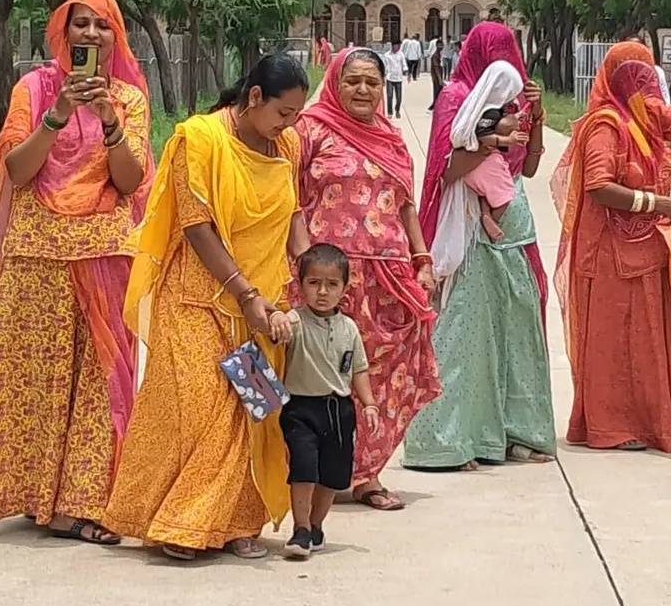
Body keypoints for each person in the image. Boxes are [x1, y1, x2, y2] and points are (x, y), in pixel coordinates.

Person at [102, 54, 311, 561]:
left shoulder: (286, 144)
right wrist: (245, 293)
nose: (290, 124)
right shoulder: (198, 139)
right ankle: (181, 522)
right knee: (201, 406)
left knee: (253, 409)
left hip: (266, 302)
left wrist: (308, 281)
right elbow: (198, 227)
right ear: (254, 98)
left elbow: (292, 214)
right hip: (198, 295)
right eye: (284, 112)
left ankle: (239, 522)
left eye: (297, 115)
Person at [0, 0, 153, 543]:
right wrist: (57, 116)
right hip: (37, 255)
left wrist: (107, 119)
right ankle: (36, 496)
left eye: (103, 26)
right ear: (63, 32)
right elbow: (18, 171)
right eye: (81, 24)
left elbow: (128, 181)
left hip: (104, 254)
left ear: (116, 35)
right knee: (38, 380)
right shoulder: (34, 90)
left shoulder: (128, 98)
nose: (91, 35)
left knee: (102, 381)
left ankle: (85, 502)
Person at [551, 41, 671, 453]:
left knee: (654, 333)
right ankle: (611, 427)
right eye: (635, 75)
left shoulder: (647, 117)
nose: (644, 82)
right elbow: (599, 186)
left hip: (649, 249)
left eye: (646, 73)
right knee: (616, 338)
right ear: (617, 81)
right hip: (610, 253)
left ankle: (657, 421)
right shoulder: (606, 124)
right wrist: (654, 202)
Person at [405, 24, 555, 470]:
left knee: (517, 329)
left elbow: (526, 165)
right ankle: (452, 438)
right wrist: (488, 140)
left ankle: (515, 432)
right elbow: (445, 170)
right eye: (497, 53)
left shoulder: (512, 102)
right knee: (465, 335)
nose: (506, 63)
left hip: (514, 227)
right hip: (471, 228)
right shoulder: (457, 98)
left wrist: (537, 115)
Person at [295, 48, 439, 510]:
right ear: (335, 82)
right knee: (317, 376)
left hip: (387, 276)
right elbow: (290, 200)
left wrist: (422, 260)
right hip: (325, 278)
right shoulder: (310, 130)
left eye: (371, 83)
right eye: (353, 81)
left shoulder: (393, 139)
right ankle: (310, 472)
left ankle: (366, 474)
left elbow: (405, 206)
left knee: (381, 376)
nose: (362, 90)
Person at [276, 244, 379, 560]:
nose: (322, 291)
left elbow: (358, 369)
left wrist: (370, 403)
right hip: (301, 410)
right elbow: (274, 332)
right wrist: (276, 318)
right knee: (304, 469)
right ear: (301, 284)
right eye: (313, 283)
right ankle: (301, 529)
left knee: (334, 475)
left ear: (344, 289)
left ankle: (317, 526)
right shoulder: (294, 321)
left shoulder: (348, 328)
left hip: (339, 411)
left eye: (332, 284)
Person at [465, 101, 528, 242]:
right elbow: (483, 135)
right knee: (506, 195)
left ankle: (486, 213)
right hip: (488, 163)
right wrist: (508, 140)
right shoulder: (491, 111)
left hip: (474, 168)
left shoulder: (480, 107)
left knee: (485, 194)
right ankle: (493, 220)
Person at [383, 42, 408, 118]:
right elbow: (385, 66)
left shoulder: (401, 54)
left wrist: (406, 71)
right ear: (393, 46)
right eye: (397, 45)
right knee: (389, 96)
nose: (398, 47)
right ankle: (390, 112)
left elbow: (404, 64)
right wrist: (383, 76)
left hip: (398, 78)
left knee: (399, 97)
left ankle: (397, 110)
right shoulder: (387, 55)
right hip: (389, 78)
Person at [428, 39, 444, 110]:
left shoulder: (440, 54)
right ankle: (435, 105)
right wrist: (440, 79)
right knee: (437, 91)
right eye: (439, 45)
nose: (441, 46)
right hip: (436, 77)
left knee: (439, 92)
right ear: (436, 46)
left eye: (442, 45)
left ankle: (435, 104)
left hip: (439, 77)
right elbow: (436, 68)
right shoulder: (435, 56)